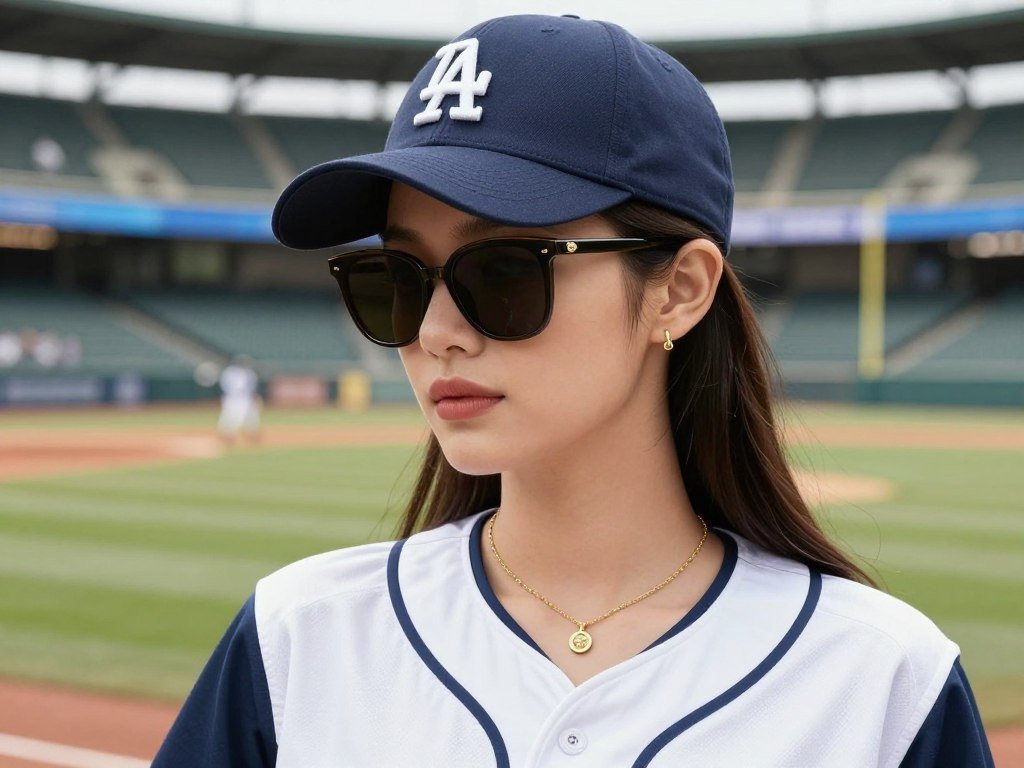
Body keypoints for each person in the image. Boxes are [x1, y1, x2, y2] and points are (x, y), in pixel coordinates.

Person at [153, 14, 994, 767]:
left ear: (679, 291)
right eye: (396, 278)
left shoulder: (885, 685)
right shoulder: (297, 638)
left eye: (505, 270)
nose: (437, 329)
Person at [216, 355, 262, 444]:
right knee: (235, 417)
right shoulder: (247, 373)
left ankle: (249, 435)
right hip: (241, 398)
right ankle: (228, 435)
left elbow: (224, 386)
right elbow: (250, 387)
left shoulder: (228, 372)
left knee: (245, 416)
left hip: (233, 397)